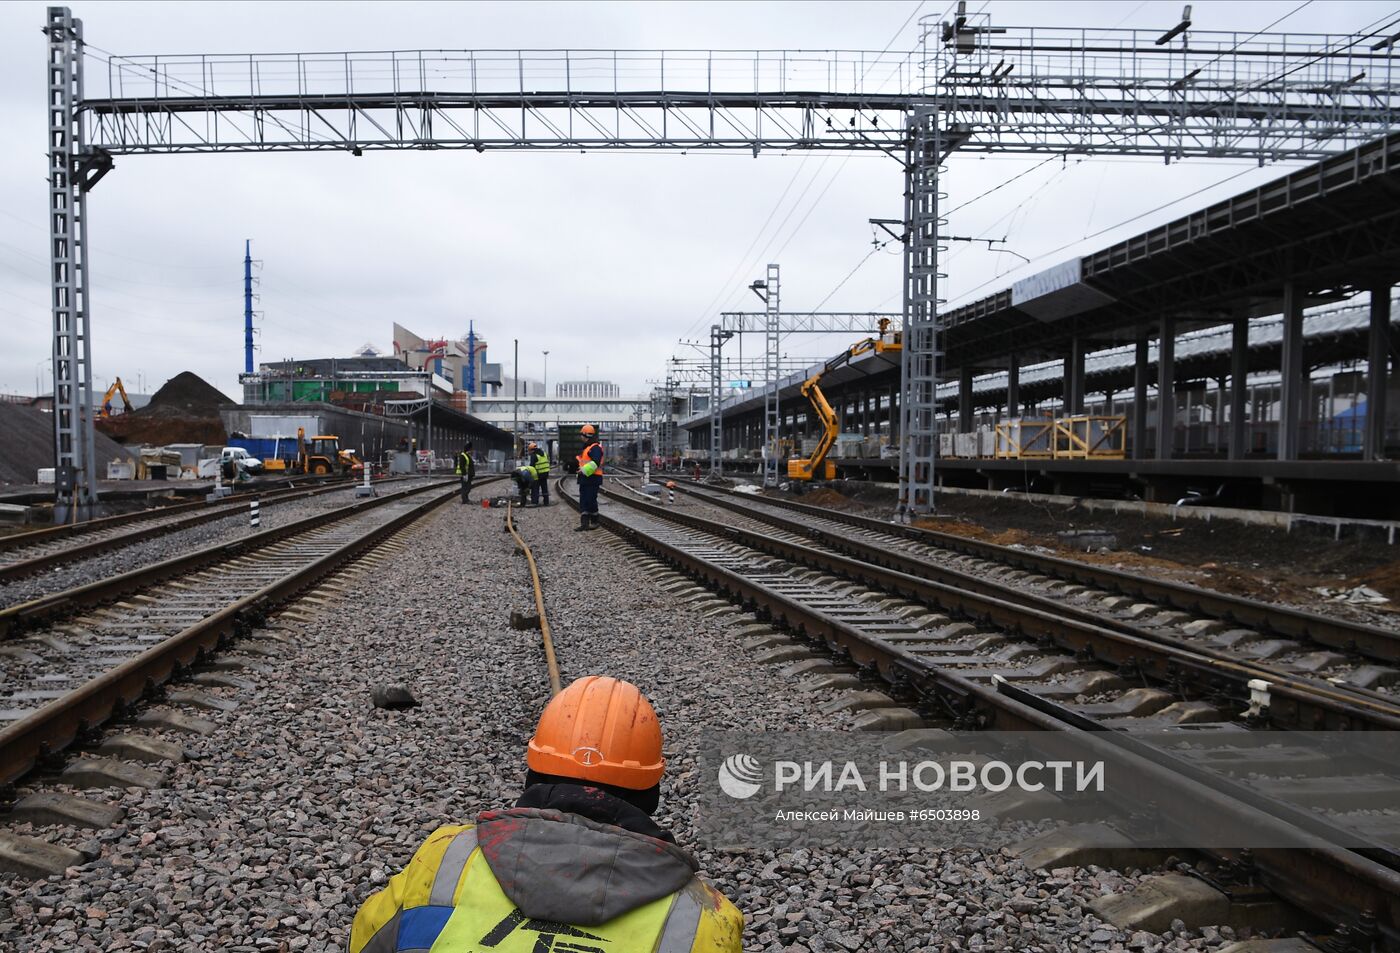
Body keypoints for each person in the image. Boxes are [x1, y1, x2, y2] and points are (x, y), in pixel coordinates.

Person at [349, 676, 744, 953]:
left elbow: (366, 941)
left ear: (532, 773)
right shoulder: (703, 919)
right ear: (651, 794)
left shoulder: (444, 858)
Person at [575, 424, 603, 532]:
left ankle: (595, 522)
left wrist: (583, 470)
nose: (581, 437)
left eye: (582, 435)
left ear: (586, 435)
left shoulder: (595, 448)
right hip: (585, 478)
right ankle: (584, 524)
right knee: (584, 501)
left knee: (590, 500)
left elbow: (595, 462)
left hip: (593, 478)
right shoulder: (587, 448)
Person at [527, 441, 551, 507]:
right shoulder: (544, 453)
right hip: (545, 473)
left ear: (532, 450)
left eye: (529, 451)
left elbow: (532, 466)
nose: (529, 452)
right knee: (544, 488)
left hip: (538, 474)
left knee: (535, 488)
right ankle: (546, 502)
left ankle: (534, 502)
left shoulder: (534, 455)